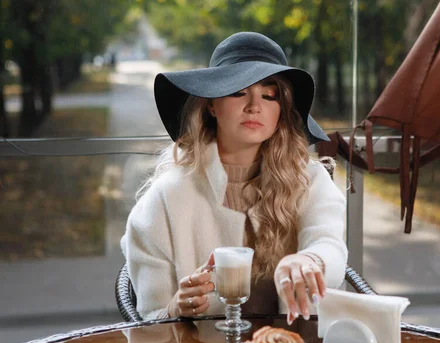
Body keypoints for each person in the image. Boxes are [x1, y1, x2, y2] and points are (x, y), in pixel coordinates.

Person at [120, 32, 348, 324]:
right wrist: (176, 309)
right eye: (238, 91)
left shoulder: (310, 178)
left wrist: (310, 260)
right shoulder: (167, 196)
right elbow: (150, 319)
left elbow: (329, 245)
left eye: (270, 95)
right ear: (211, 105)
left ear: (282, 111)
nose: (255, 106)